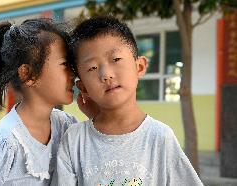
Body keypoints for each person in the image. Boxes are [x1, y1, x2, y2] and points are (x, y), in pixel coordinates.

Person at [52, 16, 204, 186]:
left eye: (115, 59)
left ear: (139, 67)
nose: (106, 74)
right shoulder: (74, 140)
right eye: (92, 68)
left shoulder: (160, 137)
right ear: (83, 87)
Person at [0, 18, 96, 186]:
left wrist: (97, 116)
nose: (73, 74)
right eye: (65, 64)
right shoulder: (6, 142)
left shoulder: (66, 125)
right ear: (28, 74)